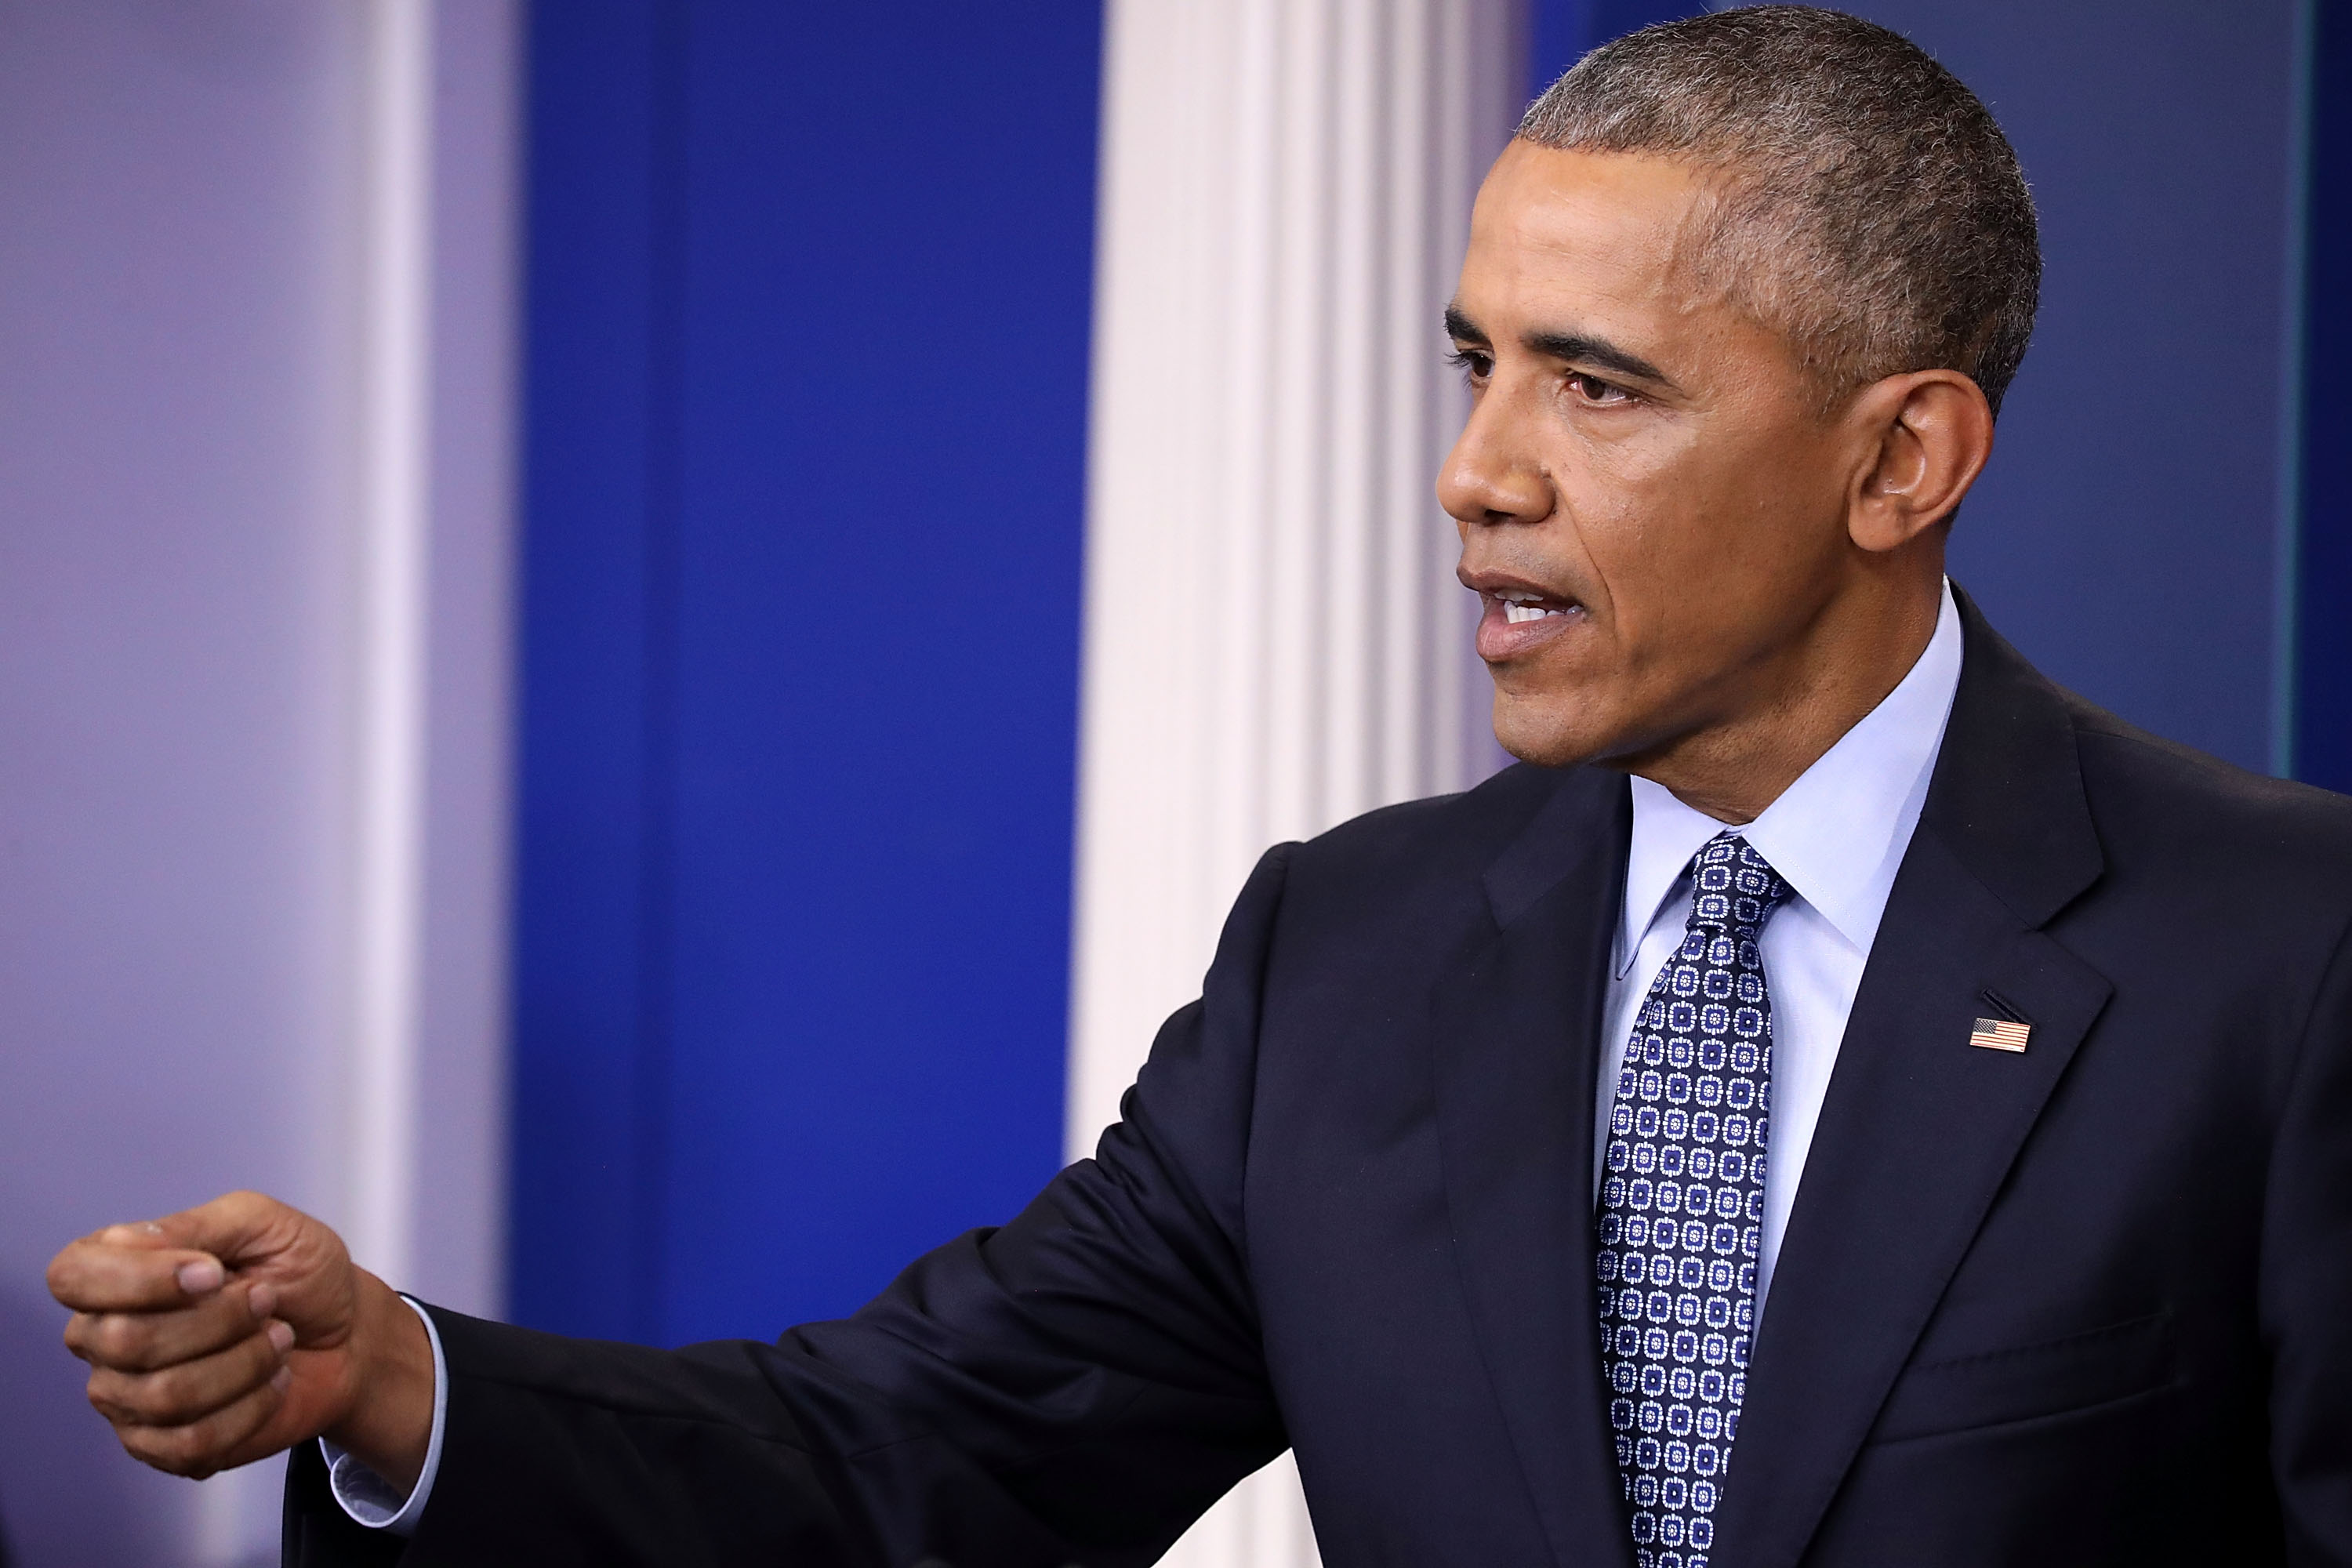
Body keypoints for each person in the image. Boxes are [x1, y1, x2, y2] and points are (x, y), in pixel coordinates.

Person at [45, 9, 2352, 1566]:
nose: (1475, 476)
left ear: (1901, 459)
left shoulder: (2286, 956)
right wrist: (390, 1381)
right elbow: (906, 1467)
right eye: (1474, 364)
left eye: (1602, 386)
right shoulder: (1345, 955)